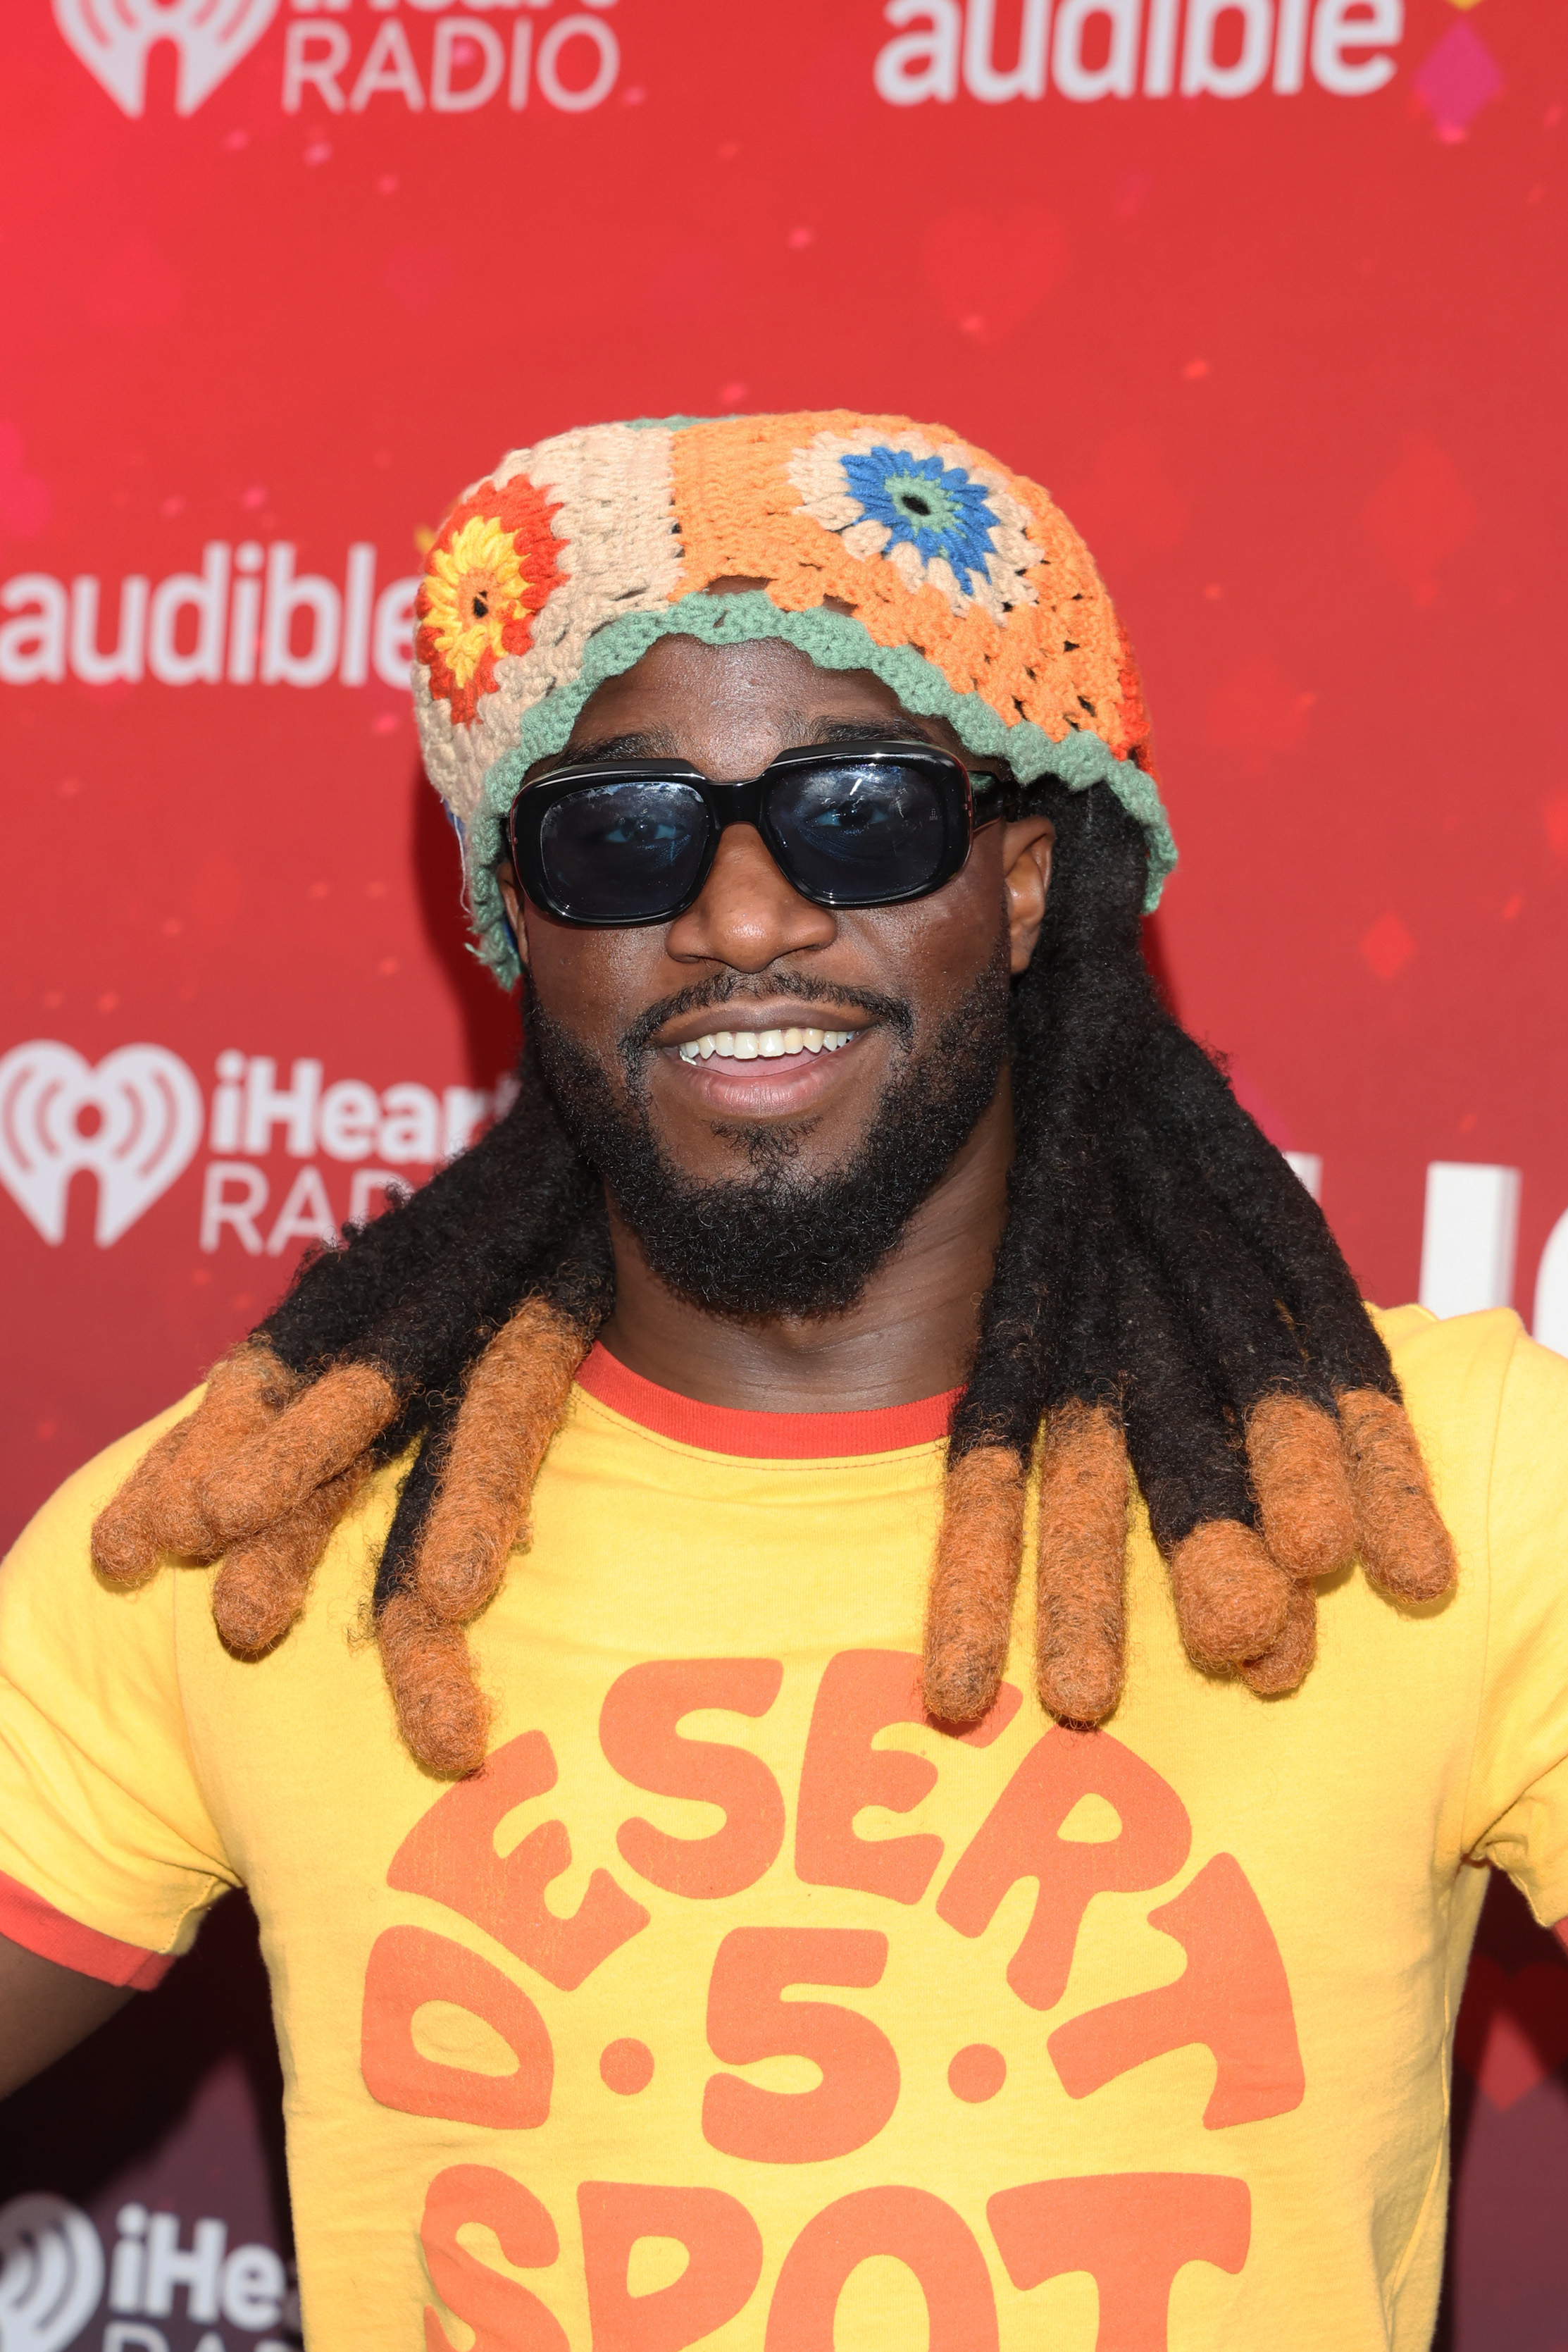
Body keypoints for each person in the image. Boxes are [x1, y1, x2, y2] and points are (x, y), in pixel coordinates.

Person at [1, 410, 1563, 2351]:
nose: (743, 919)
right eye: (623, 834)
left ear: (1014, 877)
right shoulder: (263, 1535)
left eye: (858, 809)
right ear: (523, 923)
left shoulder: (1443, 1490)